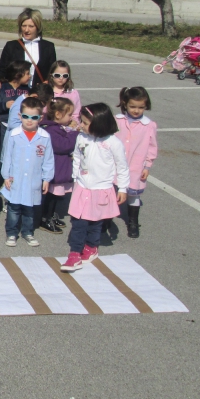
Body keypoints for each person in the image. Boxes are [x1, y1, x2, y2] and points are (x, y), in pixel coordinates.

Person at [61, 103, 130, 272]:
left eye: (84, 123)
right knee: (78, 222)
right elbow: (77, 156)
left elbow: (122, 167)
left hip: (101, 189)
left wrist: (122, 188)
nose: (81, 125)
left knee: (95, 221)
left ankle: (91, 247)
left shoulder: (113, 143)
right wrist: (76, 177)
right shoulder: (82, 137)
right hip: (82, 186)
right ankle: (74, 253)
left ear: (99, 123)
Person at [0, 97, 55, 248]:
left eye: (34, 117)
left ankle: (27, 232)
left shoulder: (44, 137)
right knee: (14, 208)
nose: (29, 121)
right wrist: (6, 176)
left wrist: (46, 178)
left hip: (33, 179)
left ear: (40, 118)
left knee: (30, 209)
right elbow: (7, 157)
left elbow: (48, 159)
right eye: (25, 116)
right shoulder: (13, 135)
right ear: (20, 116)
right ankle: (11, 233)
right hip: (15, 178)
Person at [115, 87, 158, 239]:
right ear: (125, 104)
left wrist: (147, 166)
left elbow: (152, 147)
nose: (136, 110)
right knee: (110, 191)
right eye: (132, 106)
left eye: (141, 107)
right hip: (115, 165)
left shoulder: (149, 125)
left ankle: (133, 221)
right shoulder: (118, 120)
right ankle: (105, 220)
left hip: (136, 166)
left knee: (134, 195)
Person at [0, 8, 57, 95]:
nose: (26, 30)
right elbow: (2, 69)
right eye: (24, 26)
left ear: (38, 27)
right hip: (16, 93)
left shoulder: (48, 47)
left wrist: (48, 82)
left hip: (39, 93)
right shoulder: (11, 46)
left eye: (31, 26)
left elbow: (52, 71)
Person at [39, 97, 79, 234]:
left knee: (57, 195)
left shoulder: (56, 128)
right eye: (69, 114)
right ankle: (45, 218)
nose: (71, 117)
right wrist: (74, 132)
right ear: (58, 114)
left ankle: (51, 215)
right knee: (52, 195)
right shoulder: (51, 130)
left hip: (60, 167)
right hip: (55, 169)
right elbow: (64, 146)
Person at [0, 60, 32, 151]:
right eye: (27, 73)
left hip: (20, 125)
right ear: (17, 75)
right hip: (3, 125)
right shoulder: (1, 88)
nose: (29, 76)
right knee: (3, 149)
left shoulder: (27, 90)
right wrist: (4, 105)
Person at [48, 61, 81, 126]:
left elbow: (76, 114)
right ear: (51, 75)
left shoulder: (72, 93)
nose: (61, 78)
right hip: (48, 125)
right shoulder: (47, 91)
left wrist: (74, 122)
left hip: (67, 127)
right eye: (57, 75)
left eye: (65, 76)